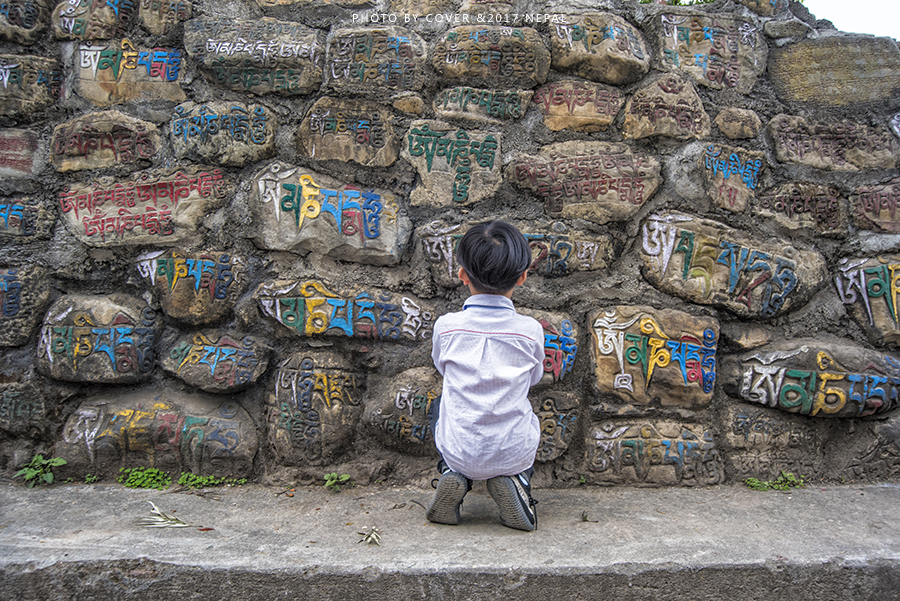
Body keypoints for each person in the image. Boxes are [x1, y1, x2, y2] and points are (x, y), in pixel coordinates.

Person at [426, 220, 544, 532]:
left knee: (441, 405)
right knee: (526, 416)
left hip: (460, 449)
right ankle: (516, 482)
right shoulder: (530, 331)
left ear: (462, 274)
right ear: (522, 276)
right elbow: (534, 377)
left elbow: (442, 368)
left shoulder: (446, 326)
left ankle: (451, 474)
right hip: (512, 450)